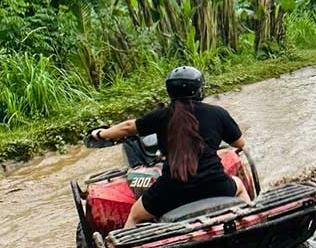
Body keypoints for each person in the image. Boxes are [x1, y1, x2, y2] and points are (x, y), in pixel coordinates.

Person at [90, 66, 251, 228]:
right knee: (239, 186)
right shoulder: (217, 113)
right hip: (214, 183)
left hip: (173, 190)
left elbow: (127, 126)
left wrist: (100, 134)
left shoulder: (161, 116)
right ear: (199, 90)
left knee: (135, 215)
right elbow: (240, 144)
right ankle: (252, 224)